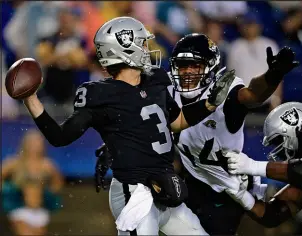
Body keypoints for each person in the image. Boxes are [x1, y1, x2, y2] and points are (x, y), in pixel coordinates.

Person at [16, 17, 237, 235]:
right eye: (142, 43)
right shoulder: (99, 94)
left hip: (166, 185)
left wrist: (208, 104)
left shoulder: (155, 80)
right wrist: (31, 99)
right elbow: (60, 137)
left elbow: (176, 122)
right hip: (134, 192)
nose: (147, 48)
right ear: (124, 49)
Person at [95, 33, 300, 234]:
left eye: (195, 65)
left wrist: (272, 76)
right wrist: (115, 145)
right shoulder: (167, 88)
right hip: (190, 178)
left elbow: (253, 94)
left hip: (224, 187)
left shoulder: (224, 91)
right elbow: (140, 118)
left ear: (211, 67)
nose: (188, 72)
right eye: (183, 66)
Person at [1, 129, 63, 236]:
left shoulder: (48, 165)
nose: (35, 146)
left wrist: (46, 193)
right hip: (18, 207)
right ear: (25, 144)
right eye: (33, 143)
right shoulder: (14, 162)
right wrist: (9, 190)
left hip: (40, 208)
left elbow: (58, 183)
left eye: (38, 143)